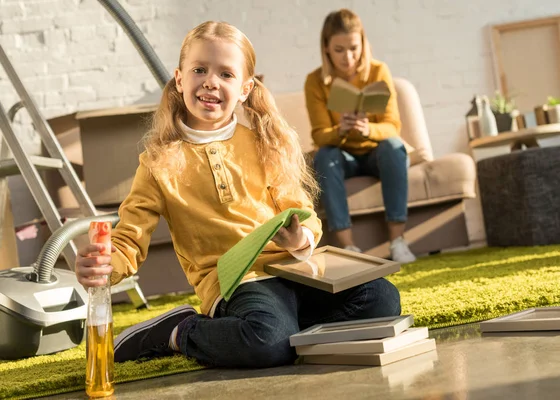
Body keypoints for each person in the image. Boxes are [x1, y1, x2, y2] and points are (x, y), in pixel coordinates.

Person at [75, 21, 401, 368]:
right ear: (180, 79)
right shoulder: (158, 163)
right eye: (199, 69)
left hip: (296, 269)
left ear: (245, 88)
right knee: (267, 344)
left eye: (226, 74)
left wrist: (299, 238)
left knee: (382, 298)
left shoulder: (265, 143)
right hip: (238, 283)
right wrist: (106, 265)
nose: (211, 81)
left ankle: (283, 330)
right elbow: (129, 239)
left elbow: (301, 210)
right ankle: (179, 331)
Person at [305, 9, 416, 263]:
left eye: (354, 48)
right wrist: (340, 130)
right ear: (326, 48)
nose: (348, 57)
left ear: (363, 44)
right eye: (340, 49)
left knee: (393, 146)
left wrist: (368, 130)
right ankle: (349, 248)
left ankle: (398, 242)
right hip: (343, 155)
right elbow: (320, 136)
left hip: (378, 153)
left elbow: (392, 126)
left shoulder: (378, 71)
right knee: (325, 155)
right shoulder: (315, 81)